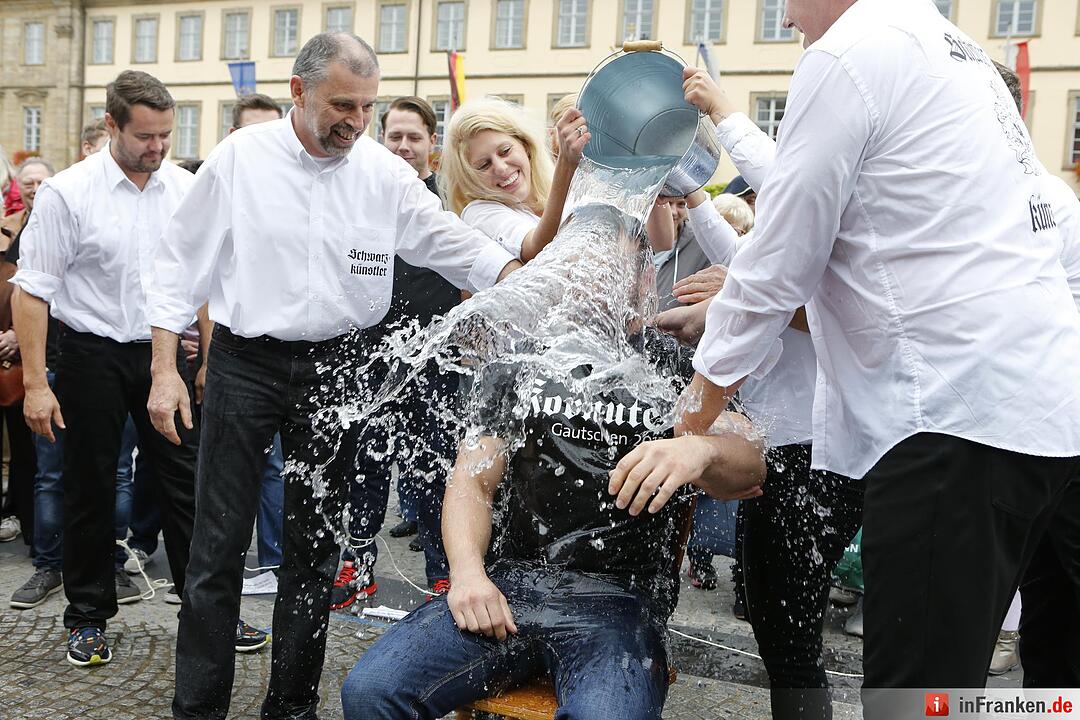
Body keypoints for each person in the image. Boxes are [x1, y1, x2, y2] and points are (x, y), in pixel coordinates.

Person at [636, 0, 1080, 709]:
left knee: (914, 699)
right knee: (1056, 682)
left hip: (953, 418)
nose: (782, 15)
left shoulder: (852, 49)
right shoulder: (947, 43)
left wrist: (688, 432)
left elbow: (776, 264)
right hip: (1046, 413)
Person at [145, 33, 524, 719]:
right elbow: (179, 264)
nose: (355, 121)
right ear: (298, 91)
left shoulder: (381, 172)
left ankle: (290, 708)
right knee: (217, 548)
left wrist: (510, 273)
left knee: (316, 551)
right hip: (246, 363)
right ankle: (197, 711)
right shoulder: (240, 159)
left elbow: (442, 237)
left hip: (340, 366)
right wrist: (166, 369)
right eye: (340, 105)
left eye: (367, 107)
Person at [340, 203, 767, 720]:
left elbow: (752, 464)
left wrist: (700, 448)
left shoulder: (676, 364)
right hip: (510, 585)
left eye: (604, 269)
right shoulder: (521, 365)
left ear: (642, 280)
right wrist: (470, 575)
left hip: (620, 604)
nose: (586, 284)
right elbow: (471, 484)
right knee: (372, 690)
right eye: (575, 267)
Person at [9, 70, 209, 668]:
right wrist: (37, 385)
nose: (157, 147)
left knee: (186, 485)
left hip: (165, 353)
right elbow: (32, 292)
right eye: (145, 136)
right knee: (90, 486)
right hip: (89, 352)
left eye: (166, 135)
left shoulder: (183, 189)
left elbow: (201, 280)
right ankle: (88, 617)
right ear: (111, 126)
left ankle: (207, 611)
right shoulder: (69, 192)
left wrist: (208, 360)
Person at [329, 95, 460, 610]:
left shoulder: (449, 204)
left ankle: (442, 576)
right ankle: (357, 572)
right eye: (394, 136)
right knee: (363, 471)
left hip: (435, 360)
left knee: (431, 471)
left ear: (433, 143)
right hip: (369, 355)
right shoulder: (361, 199)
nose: (403, 146)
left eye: (413, 137)